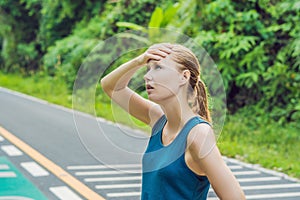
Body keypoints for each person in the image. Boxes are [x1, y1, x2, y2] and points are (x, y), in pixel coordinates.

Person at [101, 43, 245, 200]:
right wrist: (139, 60)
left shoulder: (198, 134)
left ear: (184, 76)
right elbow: (111, 86)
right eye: (148, 69)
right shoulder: (158, 120)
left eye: (158, 68)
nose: (147, 76)